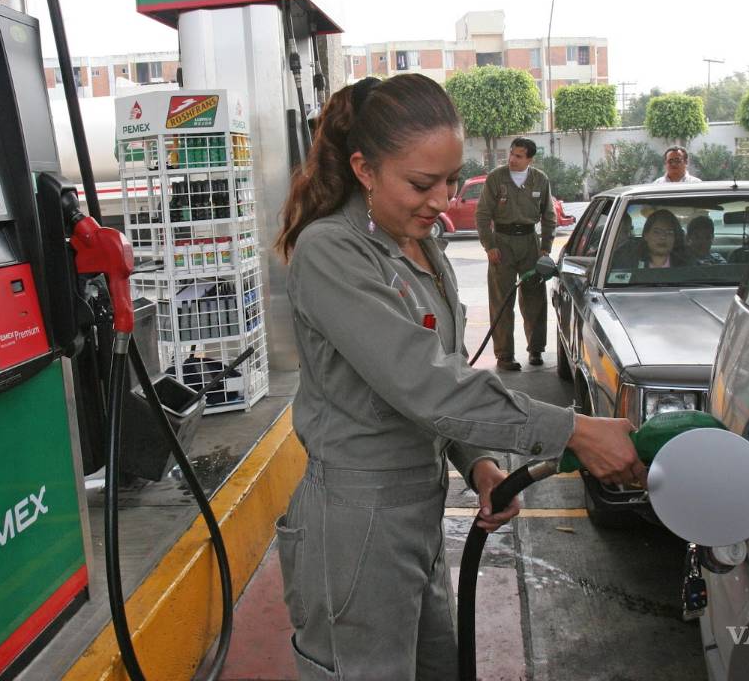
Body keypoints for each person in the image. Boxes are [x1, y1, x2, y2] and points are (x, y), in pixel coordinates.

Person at [274, 74, 644, 680]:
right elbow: (425, 385)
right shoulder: (331, 253)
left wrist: (478, 462)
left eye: (450, 180)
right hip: (355, 520)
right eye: (421, 184)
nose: (442, 200)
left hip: (419, 510)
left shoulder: (423, 243)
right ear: (364, 168)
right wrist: (574, 430)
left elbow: (443, 372)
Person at [474, 137, 556, 371]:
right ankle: (504, 355)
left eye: (519, 156)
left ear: (530, 159)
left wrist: (545, 248)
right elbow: (482, 215)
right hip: (502, 243)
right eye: (511, 154)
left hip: (531, 242)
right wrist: (489, 246)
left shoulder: (540, 180)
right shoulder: (496, 178)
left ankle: (536, 350)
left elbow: (549, 216)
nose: (512, 159)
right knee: (501, 300)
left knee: (534, 299)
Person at [611, 208, 688, 269]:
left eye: (669, 232)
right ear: (646, 235)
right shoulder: (626, 263)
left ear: (675, 237)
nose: (663, 237)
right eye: (657, 232)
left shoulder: (687, 265)